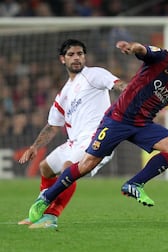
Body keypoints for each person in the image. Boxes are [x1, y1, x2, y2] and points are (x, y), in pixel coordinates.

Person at [27, 36, 168, 223]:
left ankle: (134, 184)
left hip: (143, 125)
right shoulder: (162, 58)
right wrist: (132, 48)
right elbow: (143, 50)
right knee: (85, 165)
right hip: (117, 119)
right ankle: (45, 198)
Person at [18, 39, 124, 228]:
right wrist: (35, 146)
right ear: (62, 59)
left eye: (80, 54)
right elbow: (52, 126)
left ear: (85, 56)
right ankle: (38, 213)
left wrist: (135, 95)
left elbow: (119, 85)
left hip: (97, 139)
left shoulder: (93, 75)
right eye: (71, 54)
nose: (76, 58)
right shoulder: (64, 93)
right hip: (74, 141)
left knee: (69, 169)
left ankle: (50, 217)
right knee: (45, 167)